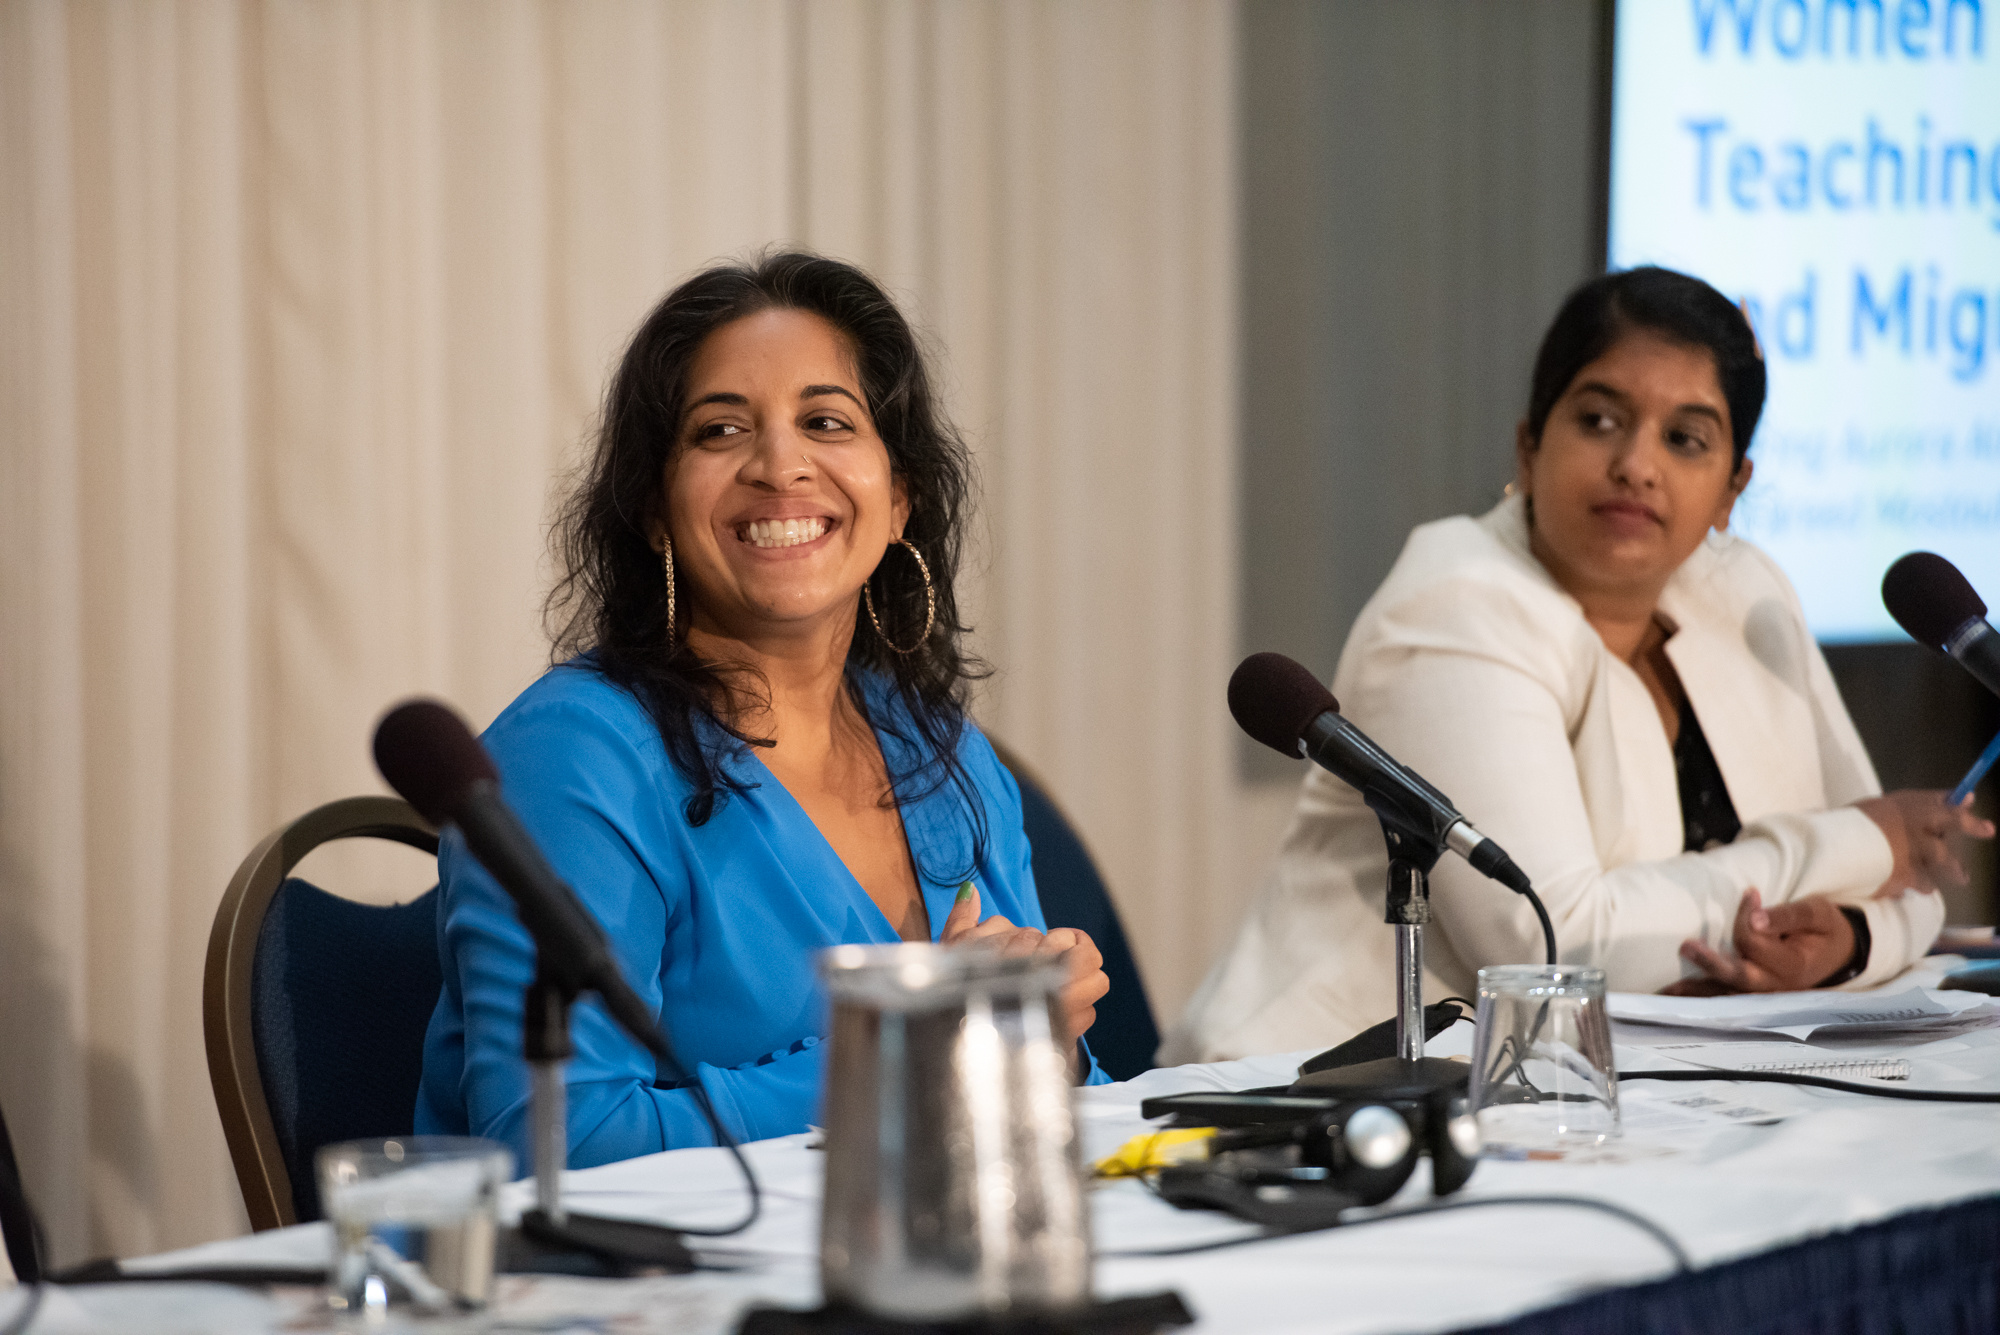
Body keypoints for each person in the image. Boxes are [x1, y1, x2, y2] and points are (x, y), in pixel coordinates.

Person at [1166, 266, 1991, 1063]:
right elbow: (1553, 942)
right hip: (1320, 1091)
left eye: (1685, 438)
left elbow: (1908, 879)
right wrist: (1855, 844)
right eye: (1600, 420)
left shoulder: (1747, 596)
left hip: (1597, 1086)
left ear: (1733, 487)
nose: (1638, 462)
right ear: (1529, 447)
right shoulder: (1457, 604)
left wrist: (1841, 942)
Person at [416, 253, 1111, 1169]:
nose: (780, 465)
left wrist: (1050, 1040)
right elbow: (559, 1142)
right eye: (719, 431)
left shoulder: (947, 753)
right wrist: (920, 1046)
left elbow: (1068, 1094)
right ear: (657, 510)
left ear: (898, 498)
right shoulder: (574, 756)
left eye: (826, 421)